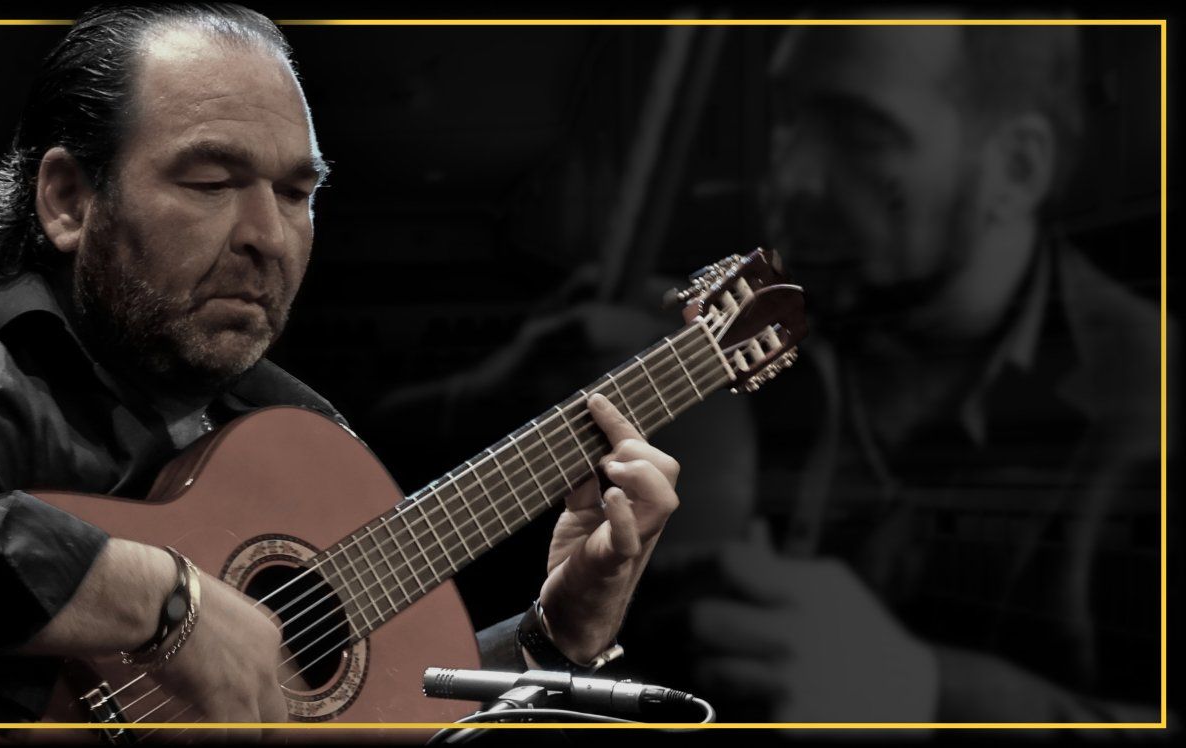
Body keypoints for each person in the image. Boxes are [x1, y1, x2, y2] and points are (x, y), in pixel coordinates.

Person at [0, 3, 683, 731]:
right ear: (68, 200)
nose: (268, 235)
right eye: (213, 181)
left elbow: (369, 715)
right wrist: (162, 596)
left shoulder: (286, 432)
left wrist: (553, 637)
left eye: (297, 193)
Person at [377, 23, 1166, 725]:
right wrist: (505, 392)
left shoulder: (1153, 410)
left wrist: (922, 695)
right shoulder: (751, 331)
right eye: (790, 117)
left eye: (861, 135)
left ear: (1017, 168)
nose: (791, 178)